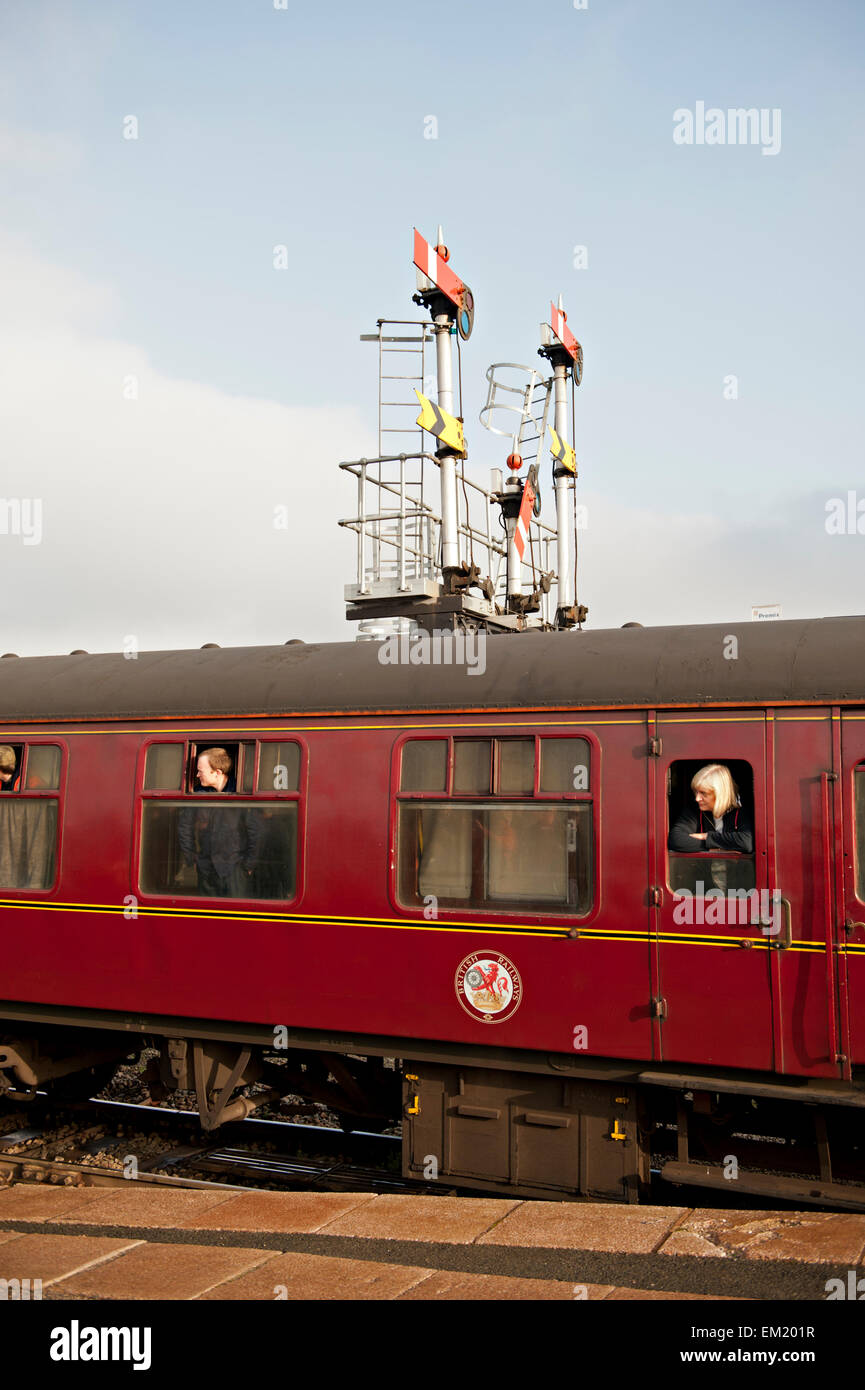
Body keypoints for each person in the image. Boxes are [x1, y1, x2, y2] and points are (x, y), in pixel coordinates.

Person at [177, 747, 261, 896]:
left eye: (200, 771)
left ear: (217, 773)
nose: (197, 775)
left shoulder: (242, 793)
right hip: (206, 870)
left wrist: (249, 864)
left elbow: (256, 831)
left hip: (235, 869)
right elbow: (184, 826)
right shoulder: (197, 794)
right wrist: (192, 858)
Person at [668, 763, 754, 853]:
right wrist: (714, 849)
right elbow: (676, 839)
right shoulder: (694, 810)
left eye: (703, 793)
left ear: (720, 794)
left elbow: (746, 842)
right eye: (696, 792)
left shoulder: (741, 811)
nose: (697, 799)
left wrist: (706, 836)